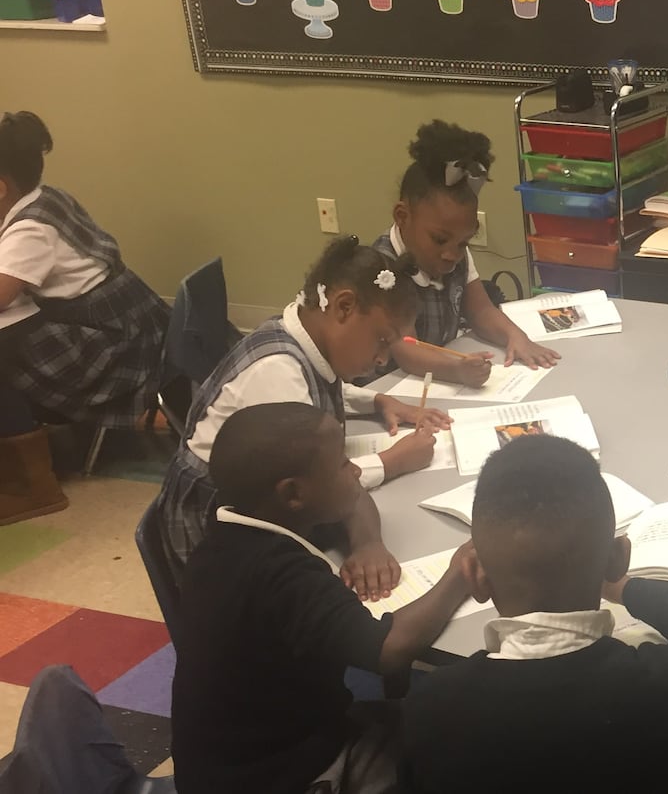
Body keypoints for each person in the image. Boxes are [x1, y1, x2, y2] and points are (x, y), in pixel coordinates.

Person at [403, 435, 668, 794]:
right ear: (619, 558)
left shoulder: (430, 706)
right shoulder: (659, 688)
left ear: (475, 577)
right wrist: (624, 586)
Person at [171, 402, 474, 794]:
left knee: (431, 715)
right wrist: (460, 572)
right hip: (280, 774)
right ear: (294, 493)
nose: (356, 471)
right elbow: (388, 652)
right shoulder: (282, 575)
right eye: (343, 464)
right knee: (465, 741)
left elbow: (352, 500)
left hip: (227, 758)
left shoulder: (229, 533)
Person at [154, 236, 449, 601]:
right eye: (382, 340)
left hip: (271, 519)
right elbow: (318, 485)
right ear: (343, 307)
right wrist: (393, 462)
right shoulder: (277, 374)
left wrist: (376, 399)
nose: (382, 360)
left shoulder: (297, 333)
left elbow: (322, 384)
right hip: (218, 546)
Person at [0, 111, 169, 459]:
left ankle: (24, 449)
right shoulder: (48, 197)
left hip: (109, 347)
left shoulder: (29, 231)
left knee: (9, 350)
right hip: (133, 322)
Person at [368, 120, 558, 388]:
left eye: (463, 243)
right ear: (402, 217)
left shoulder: (455, 252)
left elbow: (480, 311)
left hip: (435, 381)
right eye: (439, 239)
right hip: (392, 386)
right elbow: (406, 349)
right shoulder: (384, 270)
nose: (451, 254)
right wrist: (456, 369)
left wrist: (515, 336)